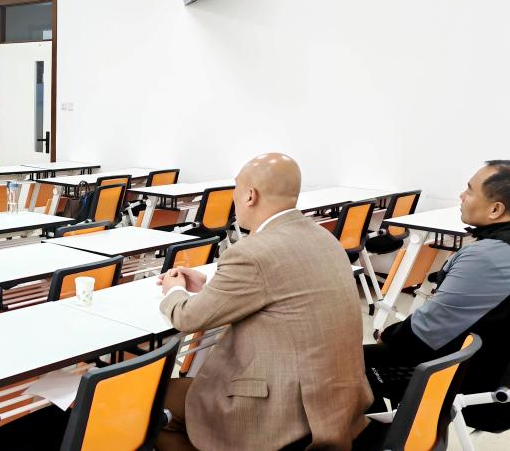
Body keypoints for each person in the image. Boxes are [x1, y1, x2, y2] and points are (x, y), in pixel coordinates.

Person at [156, 153, 372, 451]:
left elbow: (186, 318)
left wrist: (174, 289)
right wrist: (209, 287)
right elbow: (284, 291)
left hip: (281, 410)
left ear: (250, 195)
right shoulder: (325, 238)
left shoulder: (252, 252)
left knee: (153, 401)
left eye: (235, 188)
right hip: (335, 401)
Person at [364, 160, 510, 433]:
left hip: (474, 388)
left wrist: (388, 335)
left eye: (470, 190)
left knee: (348, 363)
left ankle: (380, 439)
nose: (462, 196)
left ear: (495, 209)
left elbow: (421, 336)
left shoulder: (488, 258)